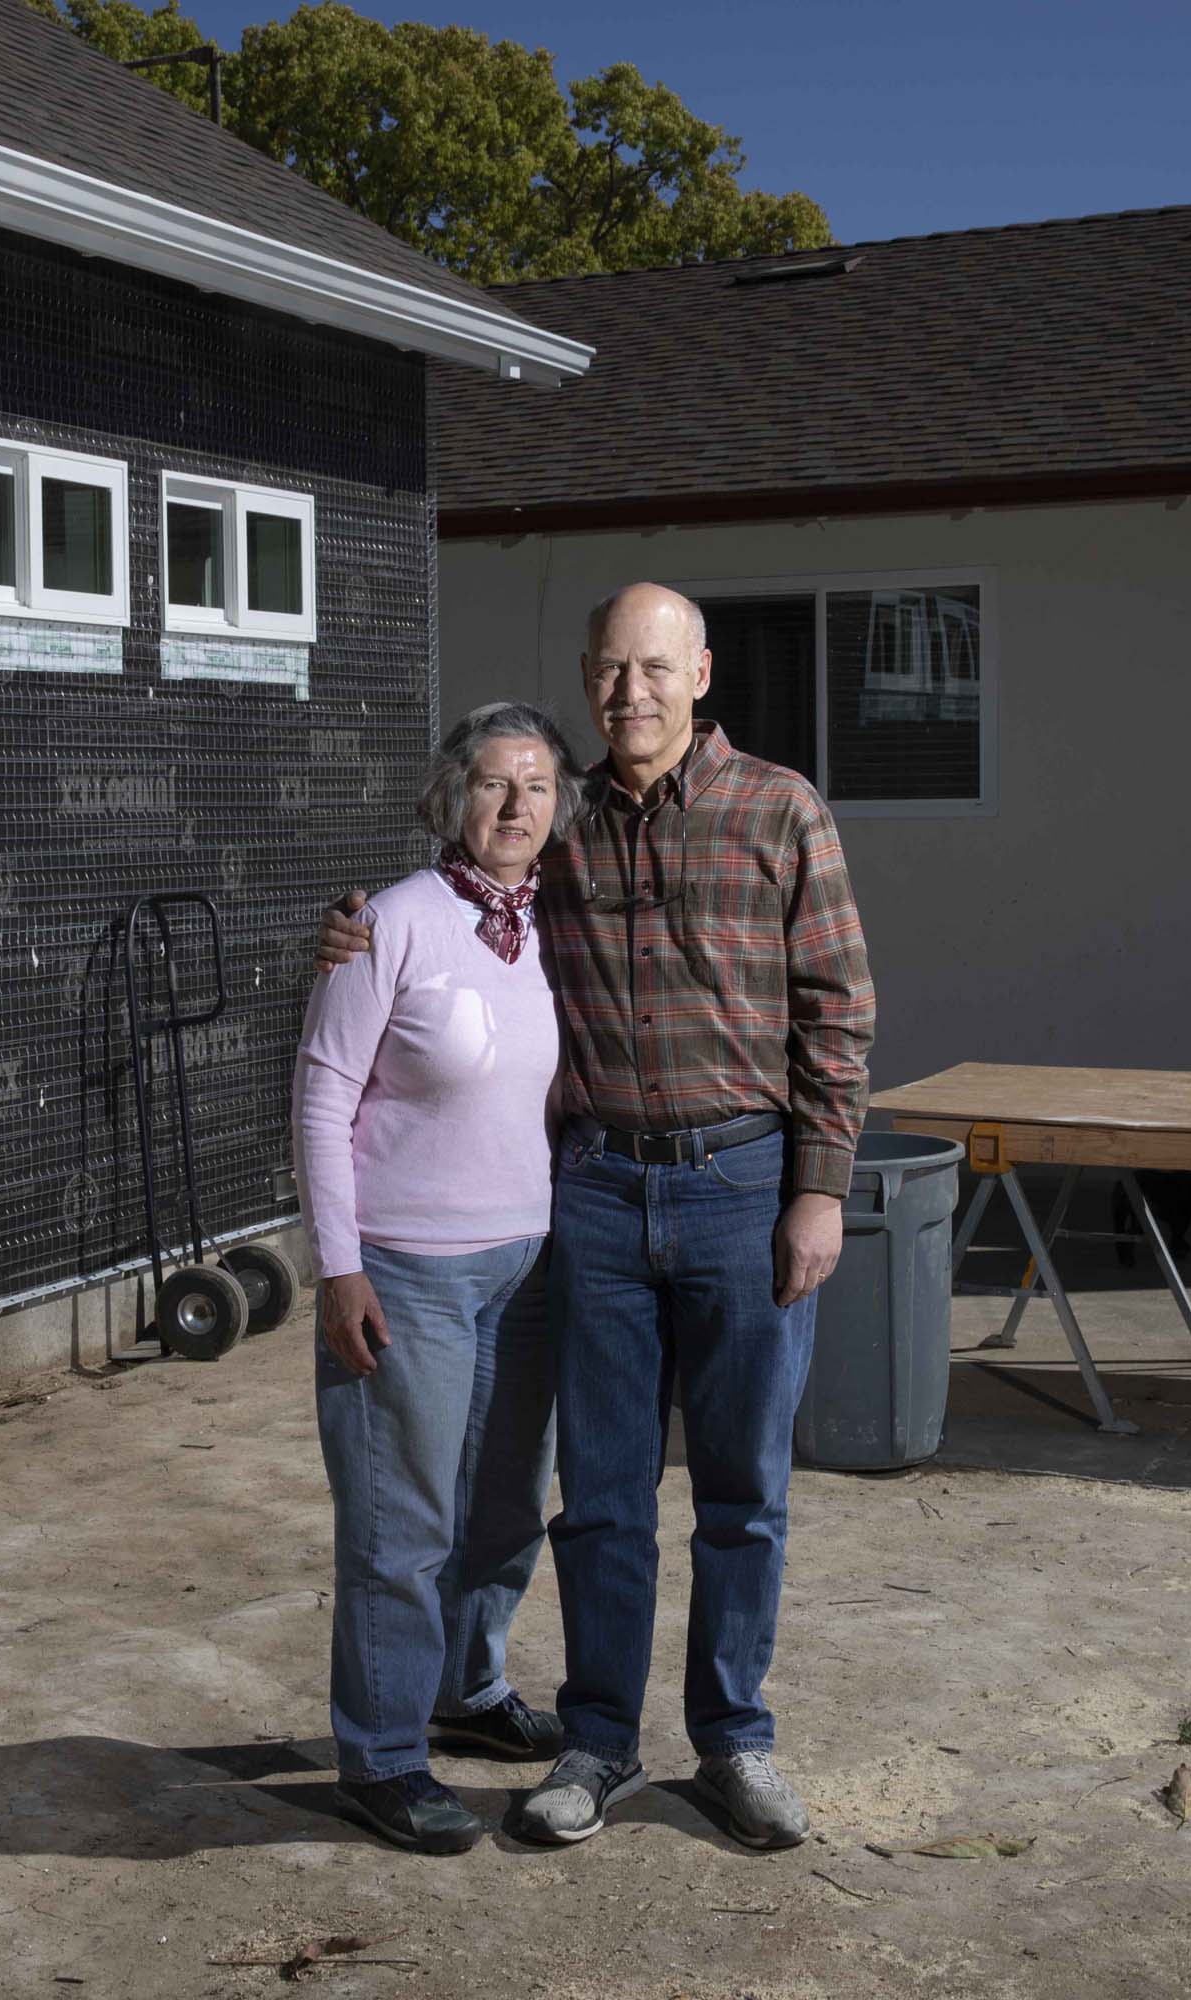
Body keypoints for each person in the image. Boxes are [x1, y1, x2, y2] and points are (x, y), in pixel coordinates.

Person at [320, 583, 876, 1851]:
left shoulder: (780, 810)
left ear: (703, 673)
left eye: (656, 668)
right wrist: (349, 928)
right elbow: (452, 891)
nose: (632, 693)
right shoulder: (556, 820)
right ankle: (600, 1738)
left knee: (744, 1487)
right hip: (599, 1200)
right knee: (606, 1489)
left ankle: (734, 1740)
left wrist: (820, 1188)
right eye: (612, 672)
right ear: (588, 679)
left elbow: (837, 1012)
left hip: (745, 1186)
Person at [290, 701, 583, 1853]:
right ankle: (382, 1752)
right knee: (401, 1524)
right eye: (496, 784)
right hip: (406, 1270)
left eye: (540, 786)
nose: (517, 807)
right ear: (452, 795)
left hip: (530, 1263)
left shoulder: (568, 921)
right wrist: (338, 1265)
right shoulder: (391, 923)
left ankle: (470, 1686)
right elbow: (321, 1096)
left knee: (506, 1508)